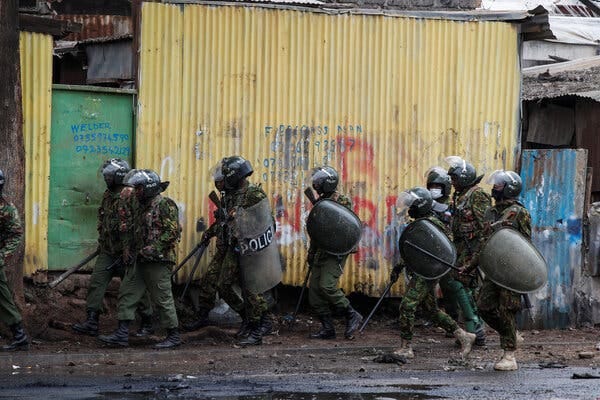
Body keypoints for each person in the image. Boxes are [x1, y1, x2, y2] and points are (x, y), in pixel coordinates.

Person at [98, 169, 182, 349]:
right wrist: (127, 249)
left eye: (139, 189)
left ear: (149, 188)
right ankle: (121, 334)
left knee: (162, 298)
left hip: (158, 261)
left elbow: (173, 232)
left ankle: (173, 335)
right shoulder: (138, 205)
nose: (136, 192)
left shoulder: (165, 205)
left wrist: (154, 247)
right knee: (127, 293)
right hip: (139, 259)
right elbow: (129, 226)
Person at [73, 159, 154, 337]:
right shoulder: (108, 195)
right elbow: (104, 219)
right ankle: (92, 321)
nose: (106, 179)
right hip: (109, 250)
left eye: (109, 176)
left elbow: (137, 223)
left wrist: (131, 249)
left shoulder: (132, 195)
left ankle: (148, 321)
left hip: (128, 252)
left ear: (118, 177)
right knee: (96, 282)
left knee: (133, 288)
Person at [392, 187, 476, 359]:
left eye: (412, 206)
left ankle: (406, 347)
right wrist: (398, 268)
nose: (409, 210)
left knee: (407, 305)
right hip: (422, 271)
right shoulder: (421, 224)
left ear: (421, 206)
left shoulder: (431, 224)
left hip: (427, 272)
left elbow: (442, 250)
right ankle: (464, 336)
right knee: (431, 310)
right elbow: (412, 250)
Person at [471, 170, 531, 371]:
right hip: (494, 268)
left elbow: (526, 245)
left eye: (498, 185)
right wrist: (470, 265)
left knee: (507, 310)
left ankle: (509, 356)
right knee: (483, 306)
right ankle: (511, 335)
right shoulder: (491, 212)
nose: (494, 188)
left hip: (512, 270)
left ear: (509, 188)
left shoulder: (520, 213)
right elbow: (483, 241)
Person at [220, 156, 278, 346]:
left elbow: (267, 222)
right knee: (224, 285)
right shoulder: (230, 194)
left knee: (252, 288)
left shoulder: (254, 194)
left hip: (251, 248)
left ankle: (257, 327)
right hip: (234, 246)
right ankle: (248, 317)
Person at [182, 163, 245, 333]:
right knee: (209, 280)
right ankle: (203, 316)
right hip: (224, 247)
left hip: (240, 250)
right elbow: (222, 223)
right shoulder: (226, 198)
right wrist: (209, 233)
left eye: (220, 181)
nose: (218, 185)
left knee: (232, 285)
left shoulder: (243, 197)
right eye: (217, 182)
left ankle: (250, 317)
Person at [307, 166, 363, 340]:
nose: (316, 185)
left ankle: (352, 314)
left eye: (319, 182)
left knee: (327, 285)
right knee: (315, 293)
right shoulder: (321, 202)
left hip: (336, 251)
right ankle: (328, 328)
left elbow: (344, 228)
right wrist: (311, 252)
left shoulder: (341, 201)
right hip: (320, 249)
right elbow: (316, 230)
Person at [440, 156, 490, 346]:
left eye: (454, 179)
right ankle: (473, 331)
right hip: (460, 249)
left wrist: (478, 254)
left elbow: (485, 226)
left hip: (472, 249)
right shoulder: (460, 196)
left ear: (464, 178)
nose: (452, 183)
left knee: (465, 287)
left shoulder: (477, 195)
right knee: (461, 287)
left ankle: (476, 331)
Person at [0, 169, 29, 351]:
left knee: (3, 298)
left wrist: (2, 256)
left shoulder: (7, 209)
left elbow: (16, 234)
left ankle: (19, 335)